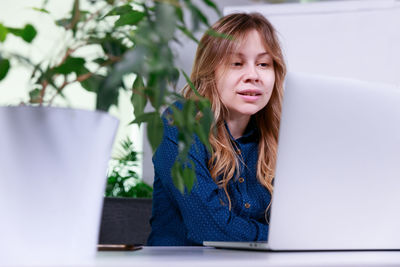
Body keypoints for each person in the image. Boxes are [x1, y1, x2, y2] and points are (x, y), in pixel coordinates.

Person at [147, 12, 286, 246]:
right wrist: (281, 237)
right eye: (236, 63)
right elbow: (210, 228)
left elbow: (300, 221)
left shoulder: (278, 135)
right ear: (211, 71)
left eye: (263, 64)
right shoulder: (180, 122)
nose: (253, 75)